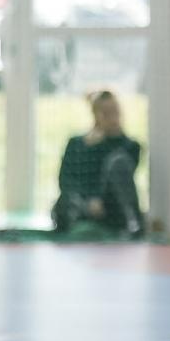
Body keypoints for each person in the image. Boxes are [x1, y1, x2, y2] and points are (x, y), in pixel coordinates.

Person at [52, 90, 144, 235]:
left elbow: (121, 177)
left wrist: (103, 144)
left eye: (115, 112)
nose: (113, 118)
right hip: (81, 205)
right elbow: (65, 181)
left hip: (110, 207)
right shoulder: (76, 144)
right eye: (106, 113)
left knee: (118, 162)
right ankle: (74, 223)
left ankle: (133, 225)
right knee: (65, 203)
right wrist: (89, 202)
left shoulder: (130, 146)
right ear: (95, 115)